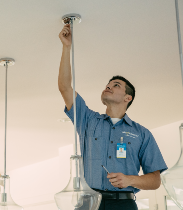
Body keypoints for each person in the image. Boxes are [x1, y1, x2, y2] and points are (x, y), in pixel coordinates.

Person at [58, 24, 167, 210]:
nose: (108, 86)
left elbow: (155, 180)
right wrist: (66, 47)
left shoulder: (142, 134)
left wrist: (129, 179)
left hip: (124, 204)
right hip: (88, 202)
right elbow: (65, 87)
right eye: (107, 84)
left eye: (115, 85)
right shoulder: (88, 120)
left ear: (127, 98)